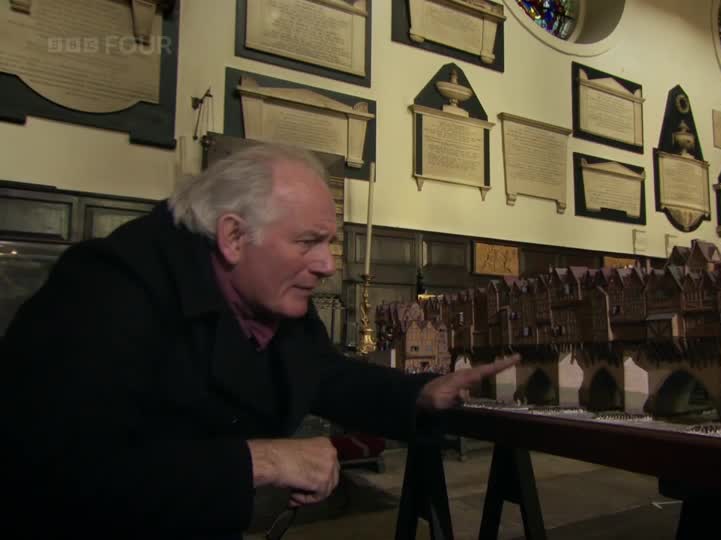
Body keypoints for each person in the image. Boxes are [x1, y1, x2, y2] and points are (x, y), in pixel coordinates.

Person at [0, 144, 516, 539]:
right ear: (232, 236)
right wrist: (261, 461)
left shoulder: (269, 293)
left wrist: (419, 393)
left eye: (329, 243)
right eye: (307, 242)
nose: (327, 265)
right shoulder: (107, 290)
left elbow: (324, 372)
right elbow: (60, 471)